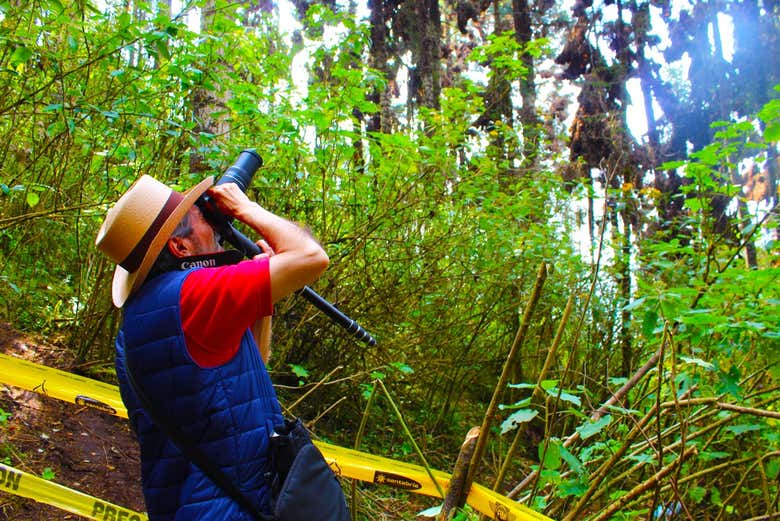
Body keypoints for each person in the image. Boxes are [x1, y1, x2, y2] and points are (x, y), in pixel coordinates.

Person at [95, 174, 329, 520]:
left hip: (188, 504)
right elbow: (312, 257)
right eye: (201, 218)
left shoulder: (139, 320)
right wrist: (245, 208)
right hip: (231, 509)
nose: (214, 225)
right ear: (180, 247)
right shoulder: (194, 295)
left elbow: (246, 365)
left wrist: (255, 294)